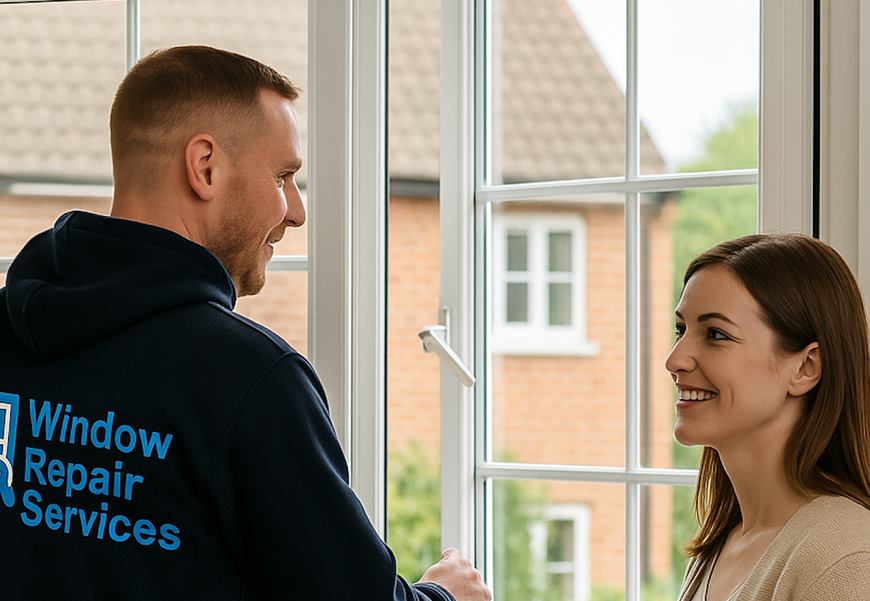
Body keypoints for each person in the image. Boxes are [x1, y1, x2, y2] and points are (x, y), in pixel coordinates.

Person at [0, 45, 490, 601]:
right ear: (205, 167)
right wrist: (446, 596)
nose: (296, 211)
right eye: (283, 177)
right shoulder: (250, 379)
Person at [667, 233, 870, 601]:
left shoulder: (844, 557)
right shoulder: (720, 546)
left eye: (716, 334)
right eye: (681, 330)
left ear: (806, 367)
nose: (675, 360)